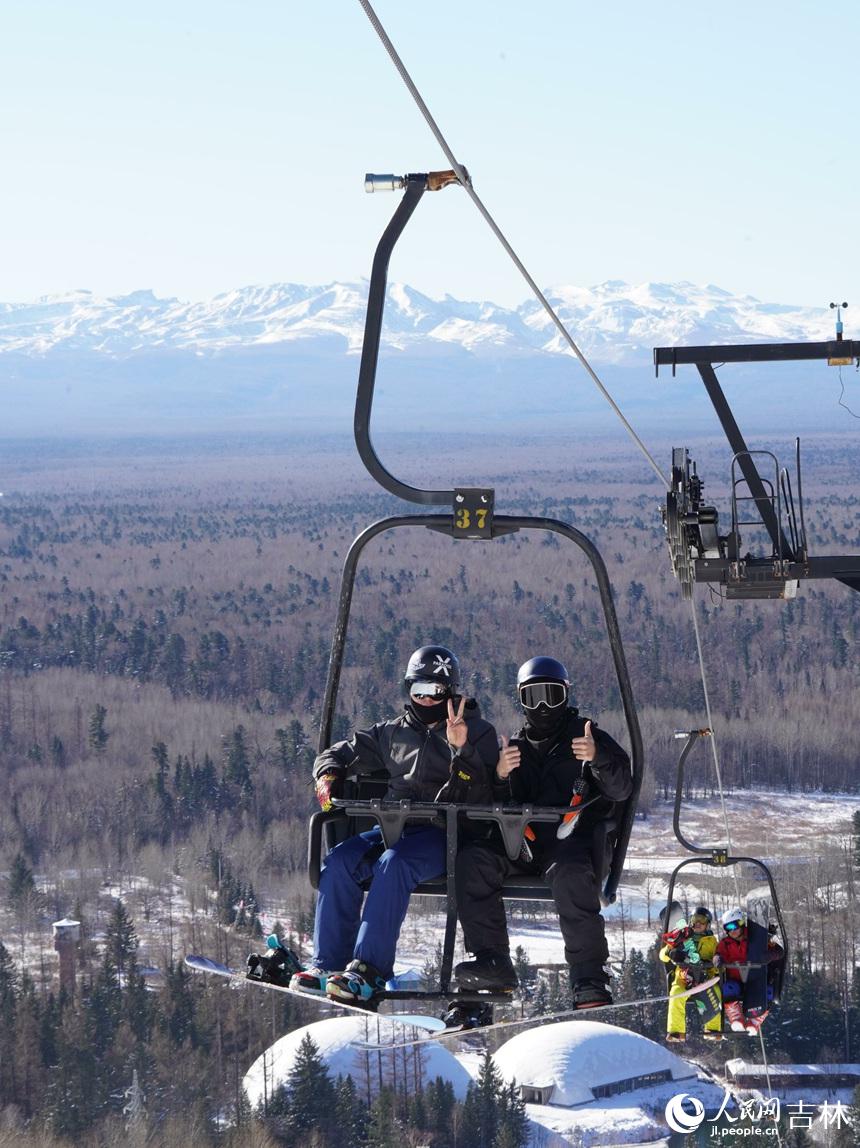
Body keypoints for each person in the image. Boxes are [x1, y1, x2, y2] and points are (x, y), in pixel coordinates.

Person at [289, 644, 499, 1006]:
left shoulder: (478, 732)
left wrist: (460, 747)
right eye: (418, 690)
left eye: (435, 692)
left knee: (393, 864)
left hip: (445, 834)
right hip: (394, 827)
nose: (426, 700)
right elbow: (339, 752)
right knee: (339, 861)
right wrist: (328, 774)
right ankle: (329, 965)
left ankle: (368, 970)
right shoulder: (392, 733)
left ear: (451, 692)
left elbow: (485, 789)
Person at [454, 656, 632, 1009]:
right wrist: (502, 776)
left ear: (565, 696)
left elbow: (621, 788)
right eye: (533, 697)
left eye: (551, 695)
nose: (543, 706)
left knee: (571, 875)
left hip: (571, 845)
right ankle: (492, 962)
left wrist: (597, 758)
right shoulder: (516, 747)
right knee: (473, 861)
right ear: (522, 701)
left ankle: (588, 976)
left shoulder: (587, 736)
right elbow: (501, 805)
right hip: (523, 844)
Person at [659, 906, 723, 1043]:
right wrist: (670, 953)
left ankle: (712, 1029)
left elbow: (719, 958)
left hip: (705, 979)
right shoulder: (682, 937)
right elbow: (662, 956)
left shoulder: (712, 942)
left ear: (708, 924)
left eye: (702, 920)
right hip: (684, 977)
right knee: (676, 994)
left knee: (716, 992)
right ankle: (676, 1031)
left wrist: (714, 963)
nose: (698, 923)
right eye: (695, 919)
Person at [716, 906, 784, 1034]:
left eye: (735, 926)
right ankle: (736, 1017)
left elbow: (779, 951)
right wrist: (718, 960)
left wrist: (768, 955)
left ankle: (755, 1020)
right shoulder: (725, 944)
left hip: (756, 979)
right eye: (728, 928)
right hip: (736, 981)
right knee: (727, 988)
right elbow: (719, 954)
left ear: (742, 923)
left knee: (768, 992)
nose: (733, 931)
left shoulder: (757, 939)